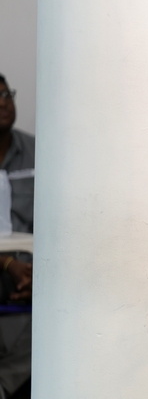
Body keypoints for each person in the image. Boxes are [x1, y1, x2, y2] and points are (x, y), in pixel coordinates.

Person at [0, 74, 33, 399]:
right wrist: (7, 263)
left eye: (6, 94)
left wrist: (40, 274)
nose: (3, 103)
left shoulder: (40, 153)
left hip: (32, 284)